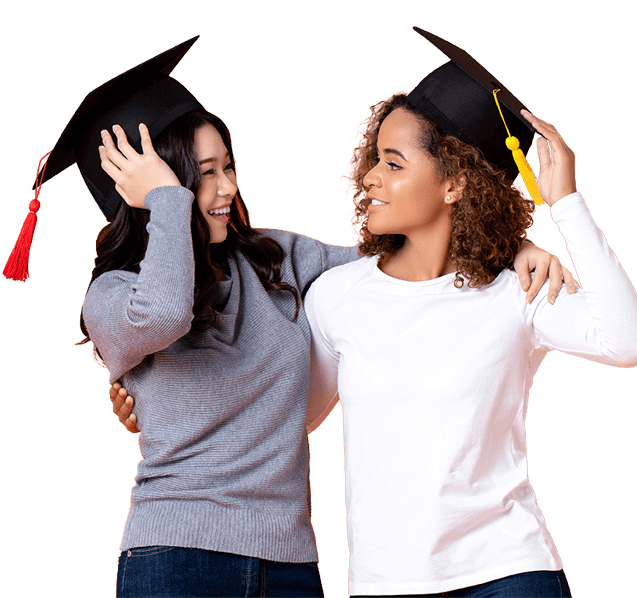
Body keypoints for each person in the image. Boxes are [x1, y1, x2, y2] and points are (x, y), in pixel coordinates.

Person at [79, 37, 573, 597]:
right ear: (147, 191)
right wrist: (168, 199)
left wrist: (515, 249)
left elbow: (410, 256)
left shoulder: (276, 258)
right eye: (204, 174)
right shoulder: (112, 296)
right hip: (175, 556)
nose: (230, 188)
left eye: (229, 166)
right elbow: (166, 311)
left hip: (291, 561)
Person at [298, 29, 637, 597]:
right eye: (373, 160)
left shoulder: (517, 292)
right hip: (387, 582)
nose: (369, 178)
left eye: (393, 164)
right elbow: (297, 420)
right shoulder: (337, 296)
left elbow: (630, 342)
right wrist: (164, 405)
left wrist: (565, 203)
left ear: (455, 184)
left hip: (508, 573)